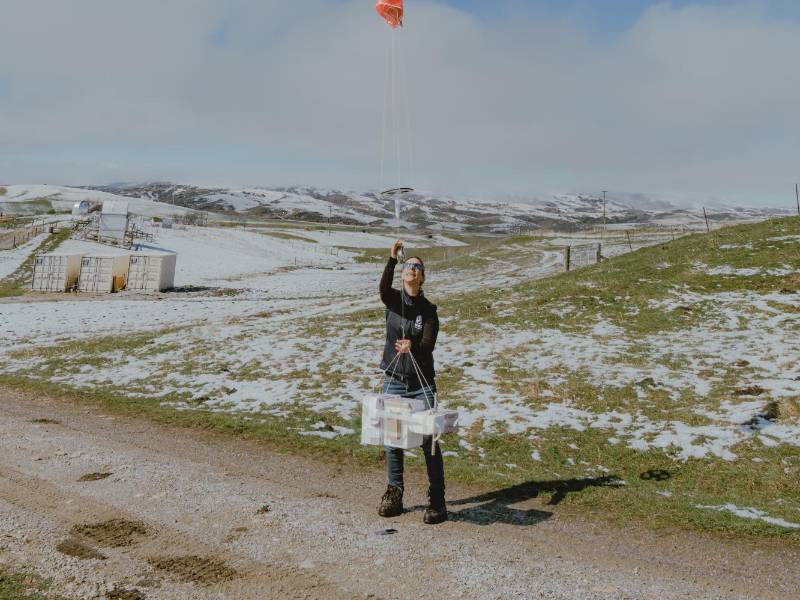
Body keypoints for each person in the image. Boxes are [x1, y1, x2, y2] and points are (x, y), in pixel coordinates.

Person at [377, 239, 447, 525]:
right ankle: (395, 493)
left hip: (421, 384)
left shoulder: (428, 310)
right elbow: (382, 289)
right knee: (393, 438)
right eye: (409, 266)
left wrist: (413, 347)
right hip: (394, 380)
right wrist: (392, 259)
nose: (412, 270)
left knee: (429, 440)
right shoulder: (392, 300)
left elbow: (428, 344)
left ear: (422, 276)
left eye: (417, 267)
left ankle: (437, 499)